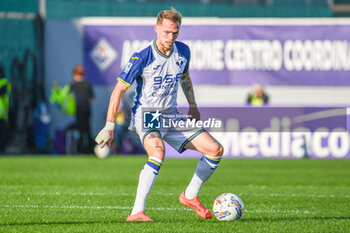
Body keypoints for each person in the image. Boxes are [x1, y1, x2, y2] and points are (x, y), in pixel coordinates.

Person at [95, 8, 223, 222]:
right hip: (147, 116)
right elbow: (117, 90)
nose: (170, 38)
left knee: (215, 150)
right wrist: (109, 127)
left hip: (171, 115)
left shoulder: (183, 51)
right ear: (156, 29)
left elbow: (185, 77)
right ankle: (137, 212)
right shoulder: (142, 57)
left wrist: (193, 105)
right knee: (157, 151)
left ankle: (190, 196)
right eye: (166, 32)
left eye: (175, 33)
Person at [70, 65, 94, 154]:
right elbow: (92, 97)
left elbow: (66, 94)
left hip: (79, 110)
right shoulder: (87, 84)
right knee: (87, 129)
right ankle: (89, 149)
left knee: (80, 130)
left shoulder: (74, 84)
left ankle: (80, 149)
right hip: (87, 109)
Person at [0, 68, 11, 153]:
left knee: (3, 133)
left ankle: (2, 150)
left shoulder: (5, 82)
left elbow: (2, 92)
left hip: (2, 115)